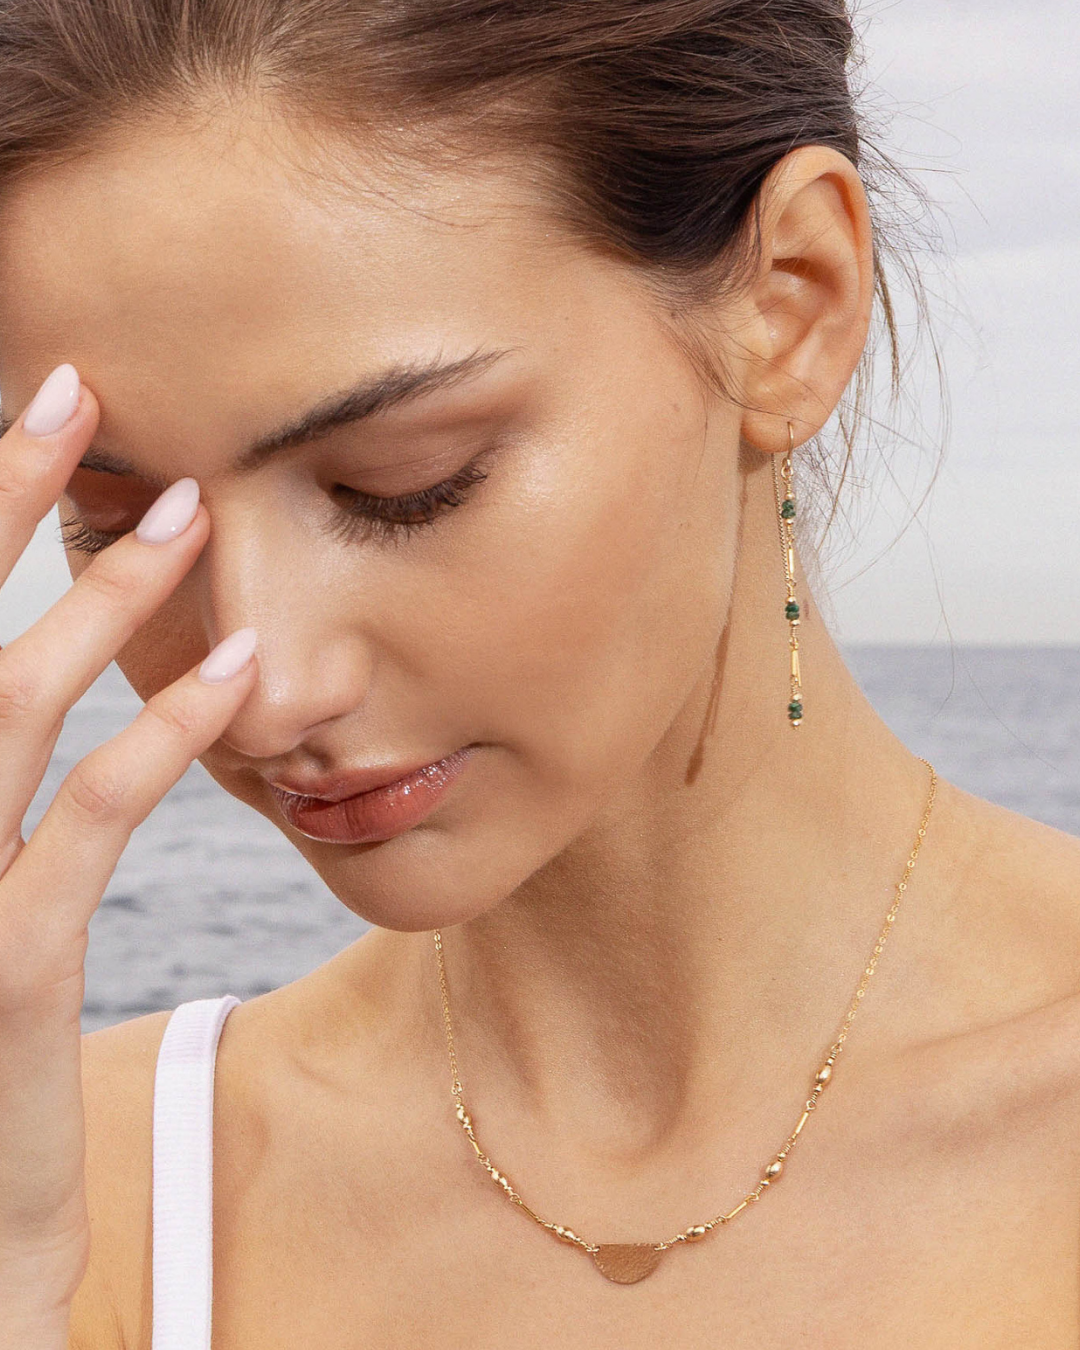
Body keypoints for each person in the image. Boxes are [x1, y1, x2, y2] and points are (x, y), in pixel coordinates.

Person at [2, 0, 1079, 1345]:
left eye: (403, 484)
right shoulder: (86, 1195)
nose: (259, 689)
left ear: (792, 306)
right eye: (121, 522)